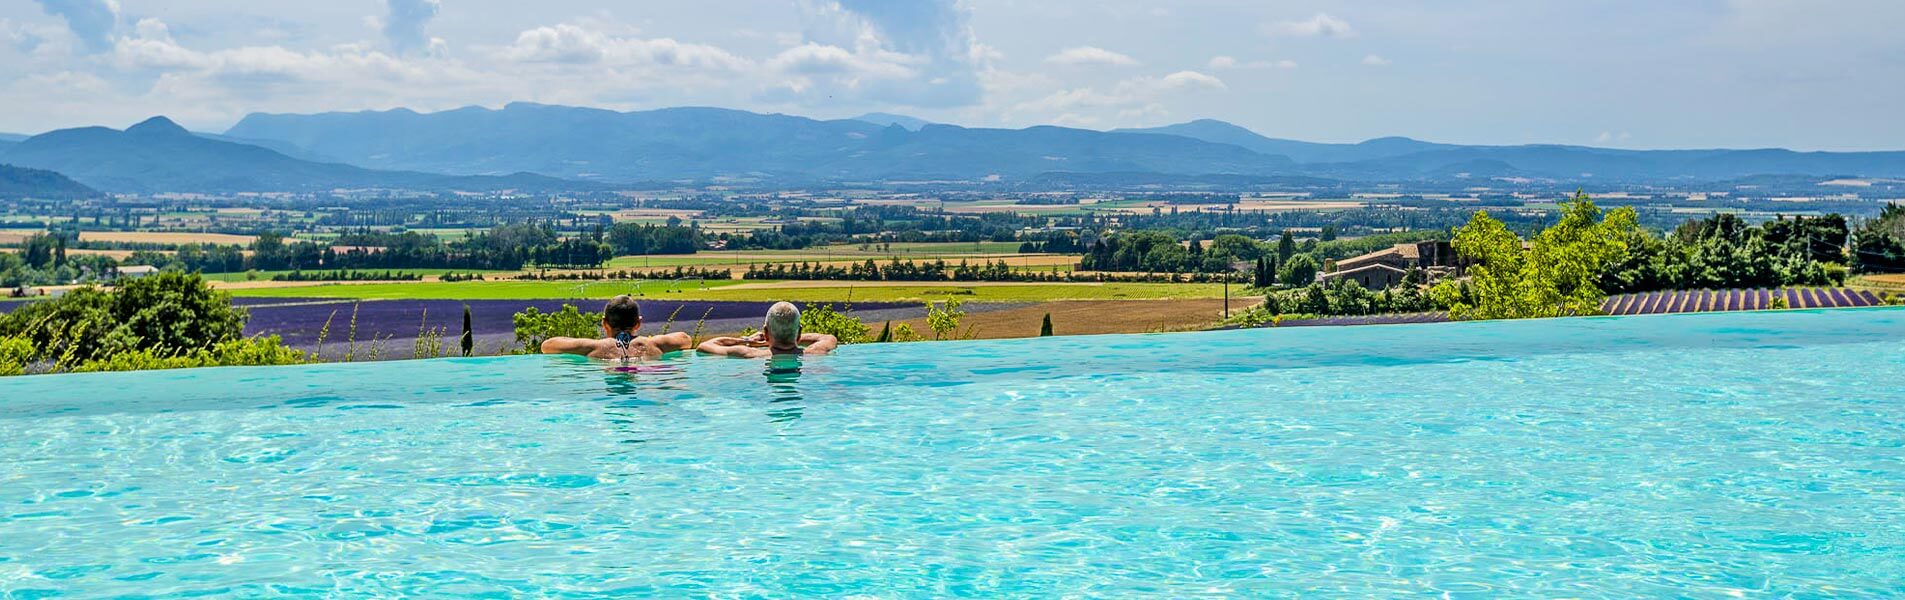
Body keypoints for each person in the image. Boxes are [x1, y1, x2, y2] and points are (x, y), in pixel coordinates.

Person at [539, 295, 693, 361]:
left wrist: (586, 343)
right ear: (638, 323)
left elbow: (547, 346)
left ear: (604, 323)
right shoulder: (654, 344)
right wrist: (652, 340)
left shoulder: (594, 347)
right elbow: (685, 339)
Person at [698, 301, 839, 358]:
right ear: (799, 333)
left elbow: (704, 346)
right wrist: (789, 333)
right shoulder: (816, 352)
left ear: (765, 333)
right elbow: (828, 338)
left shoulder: (749, 354)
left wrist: (748, 340)